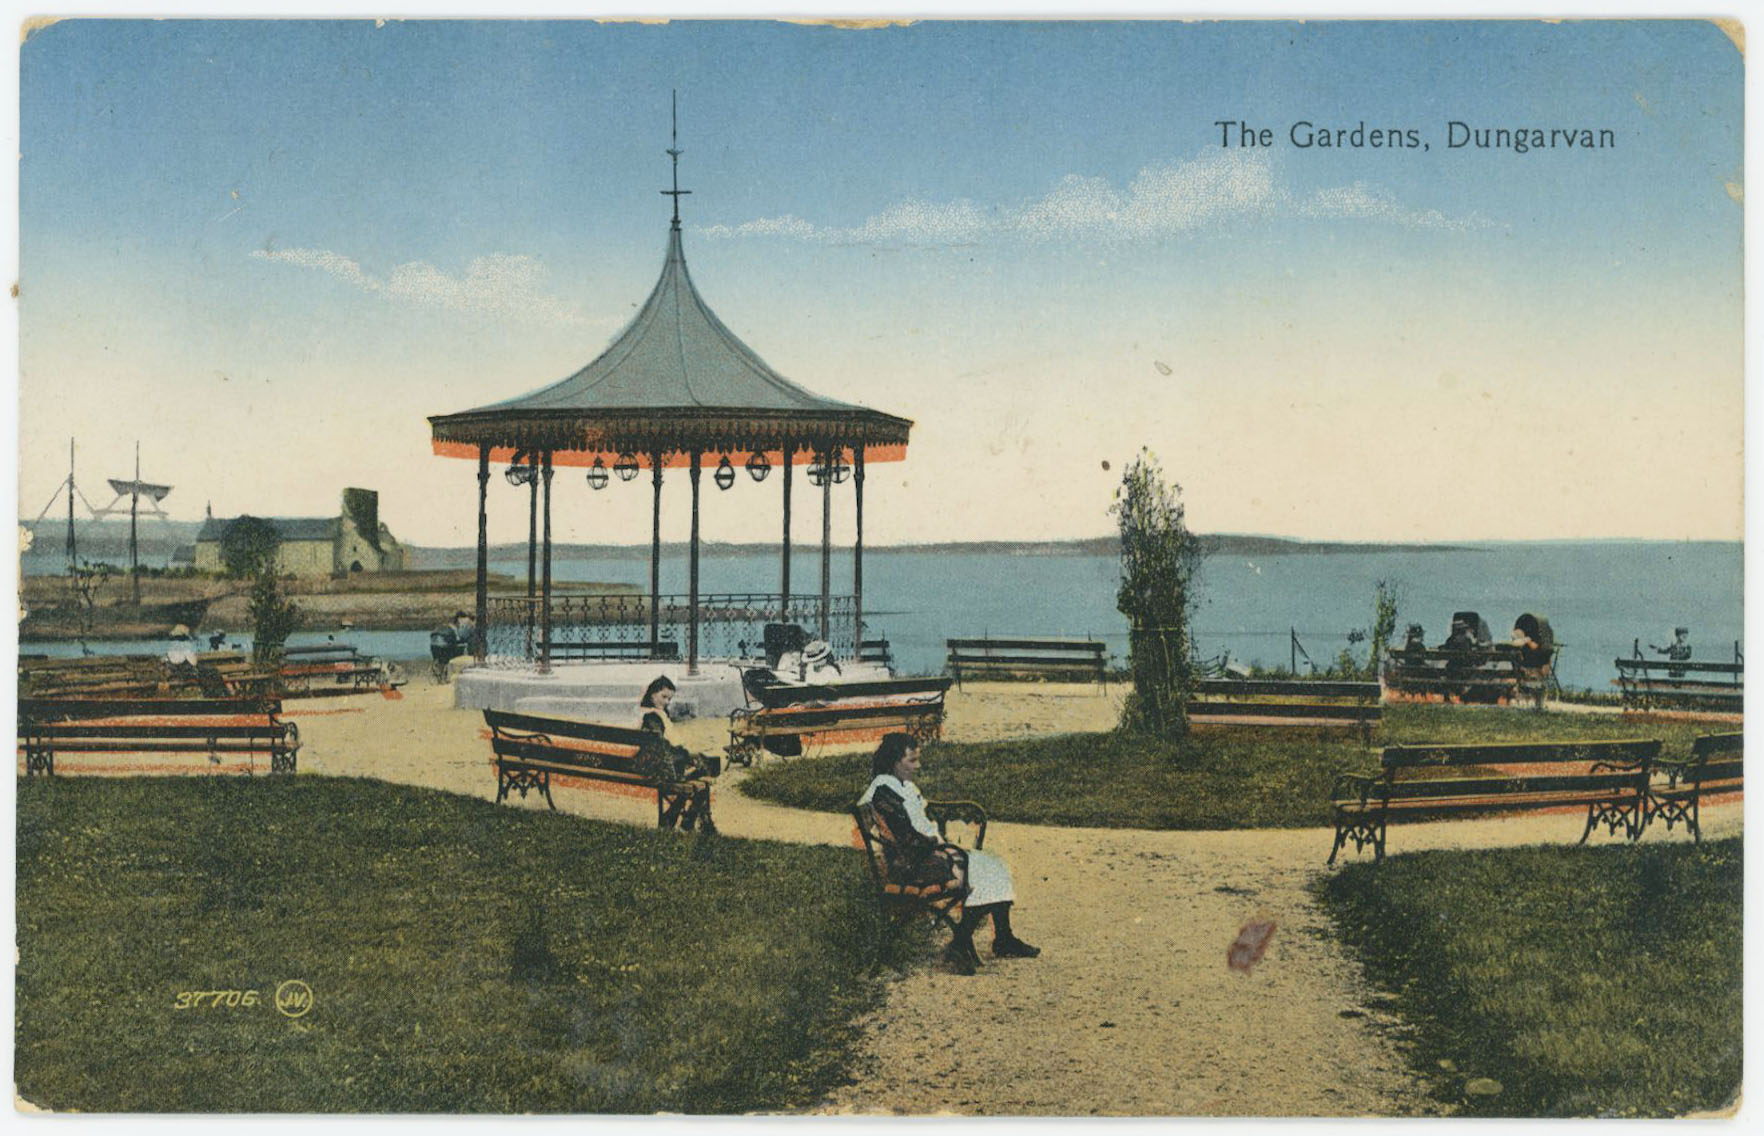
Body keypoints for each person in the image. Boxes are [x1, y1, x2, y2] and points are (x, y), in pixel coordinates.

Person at [858, 733, 1038, 975]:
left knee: (995, 864)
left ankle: (1001, 939)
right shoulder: (883, 792)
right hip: (912, 865)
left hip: (925, 855)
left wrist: (941, 844)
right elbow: (906, 838)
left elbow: (919, 819)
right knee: (984, 869)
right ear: (894, 762)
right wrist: (940, 845)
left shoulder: (901, 785)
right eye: (911, 761)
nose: (917, 766)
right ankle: (961, 944)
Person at [638, 676, 715, 833]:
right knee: (707, 769)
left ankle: (676, 815)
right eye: (663, 697)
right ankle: (690, 818)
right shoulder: (652, 717)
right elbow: (660, 745)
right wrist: (686, 755)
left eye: (669, 699)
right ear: (652, 694)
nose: (666, 702)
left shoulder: (653, 713)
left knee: (704, 769)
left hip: (660, 763)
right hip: (663, 768)